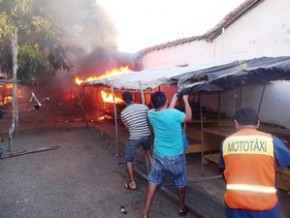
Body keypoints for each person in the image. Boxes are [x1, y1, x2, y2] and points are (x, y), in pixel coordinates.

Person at [219, 107, 290, 218]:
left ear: (236, 123)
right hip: (265, 204)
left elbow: (222, 170)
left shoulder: (226, 143)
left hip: (235, 202)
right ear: (258, 124)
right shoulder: (271, 141)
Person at [142, 91, 192, 218]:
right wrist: (185, 100)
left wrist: (175, 95)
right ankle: (181, 208)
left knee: (152, 182)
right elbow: (189, 118)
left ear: (152, 103)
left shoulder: (150, 114)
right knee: (180, 182)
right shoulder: (174, 114)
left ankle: (145, 214)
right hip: (175, 156)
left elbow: (166, 113)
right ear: (166, 101)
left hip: (159, 154)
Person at [120, 91, 151, 190]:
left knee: (128, 159)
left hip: (135, 138)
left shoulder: (123, 113)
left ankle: (132, 183)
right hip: (146, 135)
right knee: (148, 153)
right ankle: (156, 176)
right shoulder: (144, 107)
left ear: (123, 101)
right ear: (132, 97)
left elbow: (127, 128)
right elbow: (149, 119)